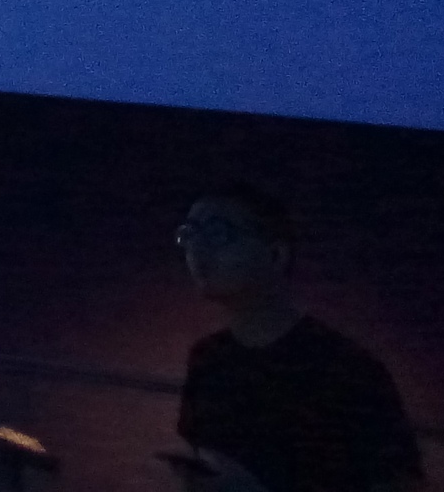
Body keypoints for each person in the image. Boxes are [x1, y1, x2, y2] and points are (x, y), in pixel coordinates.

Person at [170, 182, 423, 492]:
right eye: (189, 234)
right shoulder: (208, 358)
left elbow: (399, 483)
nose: (196, 249)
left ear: (276, 255)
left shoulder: (345, 368)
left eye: (218, 233)